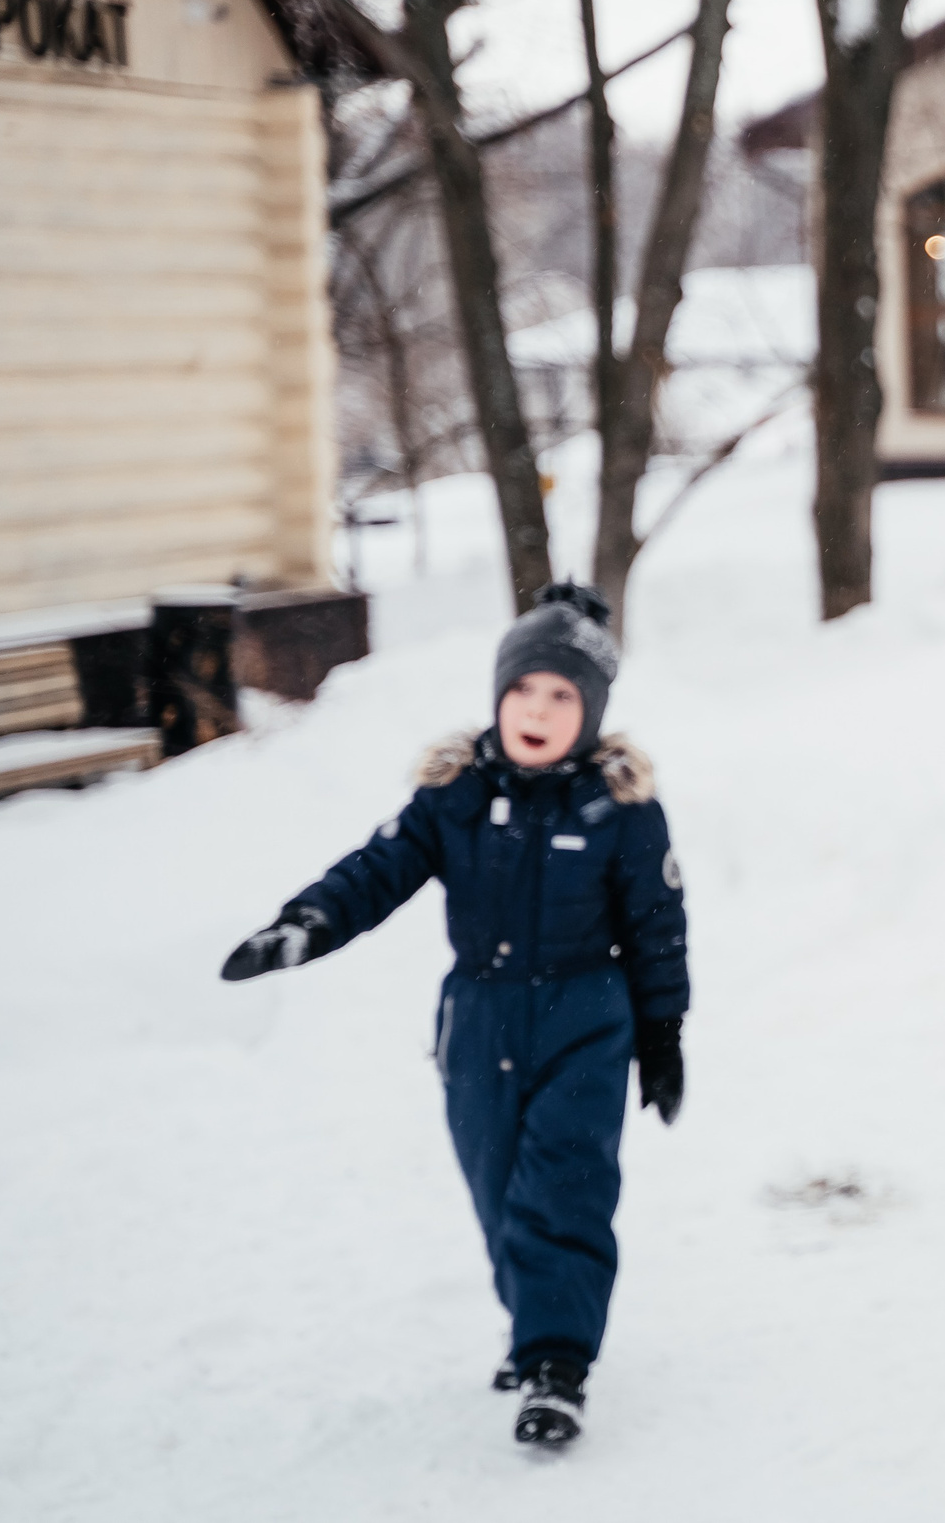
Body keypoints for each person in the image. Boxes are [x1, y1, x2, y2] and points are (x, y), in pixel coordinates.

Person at [218, 582, 689, 1449]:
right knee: (498, 1186)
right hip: (476, 1021)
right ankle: (535, 1320)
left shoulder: (621, 810)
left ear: (591, 712)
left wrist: (662, 1038)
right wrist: (306, 923)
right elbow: (377, 870)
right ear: (498, 693)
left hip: (585, 1022)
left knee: (562, 1190)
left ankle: (556, 1363)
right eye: (523, 688)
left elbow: (659, 932)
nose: (537, 710)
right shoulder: (456, 795)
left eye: (562, 695)